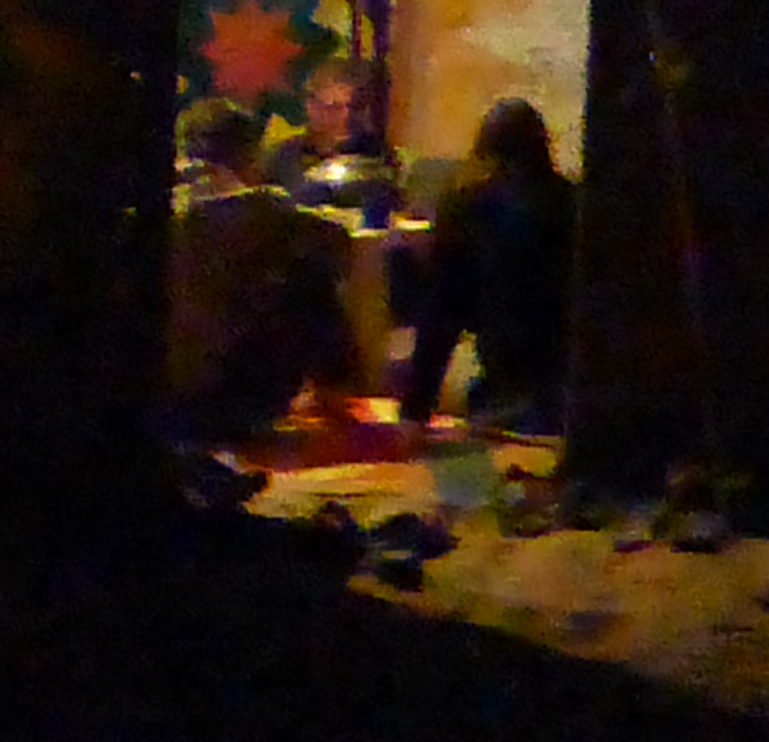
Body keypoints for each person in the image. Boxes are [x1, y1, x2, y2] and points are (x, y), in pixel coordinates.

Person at [161, 94, 365, 449]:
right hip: (249, 400)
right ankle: (332, 392)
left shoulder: (163, 219)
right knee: (309, 279)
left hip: (159, 400)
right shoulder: (280, 221)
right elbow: (338, 247)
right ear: (251, 156)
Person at [403, 94, 577, 440]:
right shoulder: (575, 203)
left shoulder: (470, 208)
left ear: (484, 151)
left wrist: (414, 411)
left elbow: (442, 313)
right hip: (571, 394)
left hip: (505, 392)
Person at [257, 55, 402, 218]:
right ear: (311, 106)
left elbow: (390, 207)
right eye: (334, 107)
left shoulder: (376, 154)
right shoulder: (284, 157)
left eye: (355, 108)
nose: (346, 117)